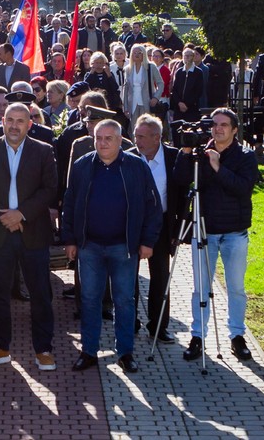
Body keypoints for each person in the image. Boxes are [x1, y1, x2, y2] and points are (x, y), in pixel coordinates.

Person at [62, 119, 162, 373]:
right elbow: (70, 204)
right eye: (99, 138)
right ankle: (89, 351)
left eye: (109, 138)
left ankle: (125, 353)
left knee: (125, 301)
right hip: (90, 246)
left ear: (120, 141)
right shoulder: (82, 166)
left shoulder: (136, 167)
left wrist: (147, 241)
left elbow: (152, 206)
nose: (103, 143)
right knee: (89, 299)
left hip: (124, 247)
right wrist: (70, 239)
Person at [0, 103, 58, 371]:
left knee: (40, 293)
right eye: (10, 119)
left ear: (29, 124)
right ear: (2, 120)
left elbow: (50, 189)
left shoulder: (43, 151)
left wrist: (21, 214)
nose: (14, 125)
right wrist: (5, 218)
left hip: (32, 231)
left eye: (20, 121)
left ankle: (43, 349)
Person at [176, 108, 258, 363]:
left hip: (234, 232)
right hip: (204, 231)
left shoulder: (245, 156)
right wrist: (186, 153)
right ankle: (198, 337)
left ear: (235, 129)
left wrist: (217, 166)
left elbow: (243, 189)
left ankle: (237, 336)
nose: (218, 129)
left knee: (236, 288)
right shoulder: (200, 153)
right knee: (200, 288)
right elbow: (180, 180)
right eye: (214, 124)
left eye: (224, 125)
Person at [129, 115, 181, 343]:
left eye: (141, 136)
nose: (136, 140)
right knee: (128, 277)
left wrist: (177, 231)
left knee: (160, 277)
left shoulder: (173, 157)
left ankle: (158, 325)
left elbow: (181, 194)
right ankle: (130, 322)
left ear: (157, 137)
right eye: (135, 135)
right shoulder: (129, 157)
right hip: (132, 226)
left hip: (160, 226)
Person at [123, 45, 164, 133]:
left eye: (139, 53)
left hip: (147, 102)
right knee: (134, 128)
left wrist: (156, 98)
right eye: (134, 53)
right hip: (132, 103)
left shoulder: (150, 67)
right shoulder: (128, 69)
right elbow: (125, 89)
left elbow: (160, 83)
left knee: (147, 127)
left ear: (144, 54)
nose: (137, 55)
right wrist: (125, 107)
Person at [169, 48, 205, 123]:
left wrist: (187, 104)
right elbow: (174, 89)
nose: (187, 57)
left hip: (192, 108)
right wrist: (179, 102)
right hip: (178, 107)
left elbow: (198, 91)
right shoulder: (179, 71)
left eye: (190, 55)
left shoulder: (198, 72)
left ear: (193, 57)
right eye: (185, 56)